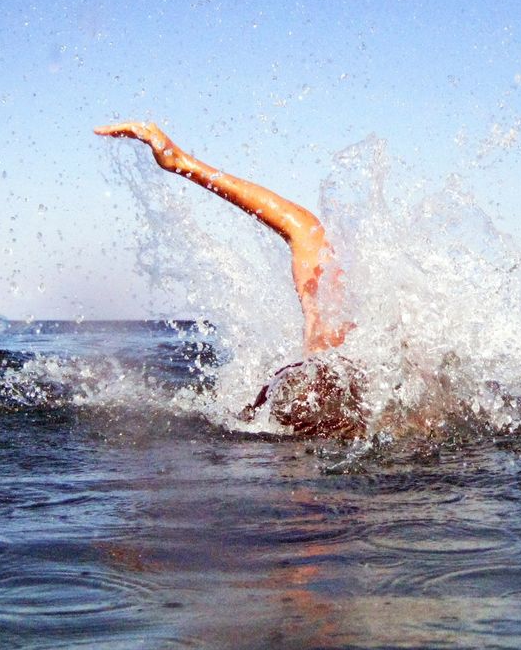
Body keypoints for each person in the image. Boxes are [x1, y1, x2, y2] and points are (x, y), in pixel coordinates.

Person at [95, 121, 368, 438]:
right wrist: (181, 163)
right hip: (295, 436)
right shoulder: (326, 272)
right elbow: (297, 224)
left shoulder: (399, 330)